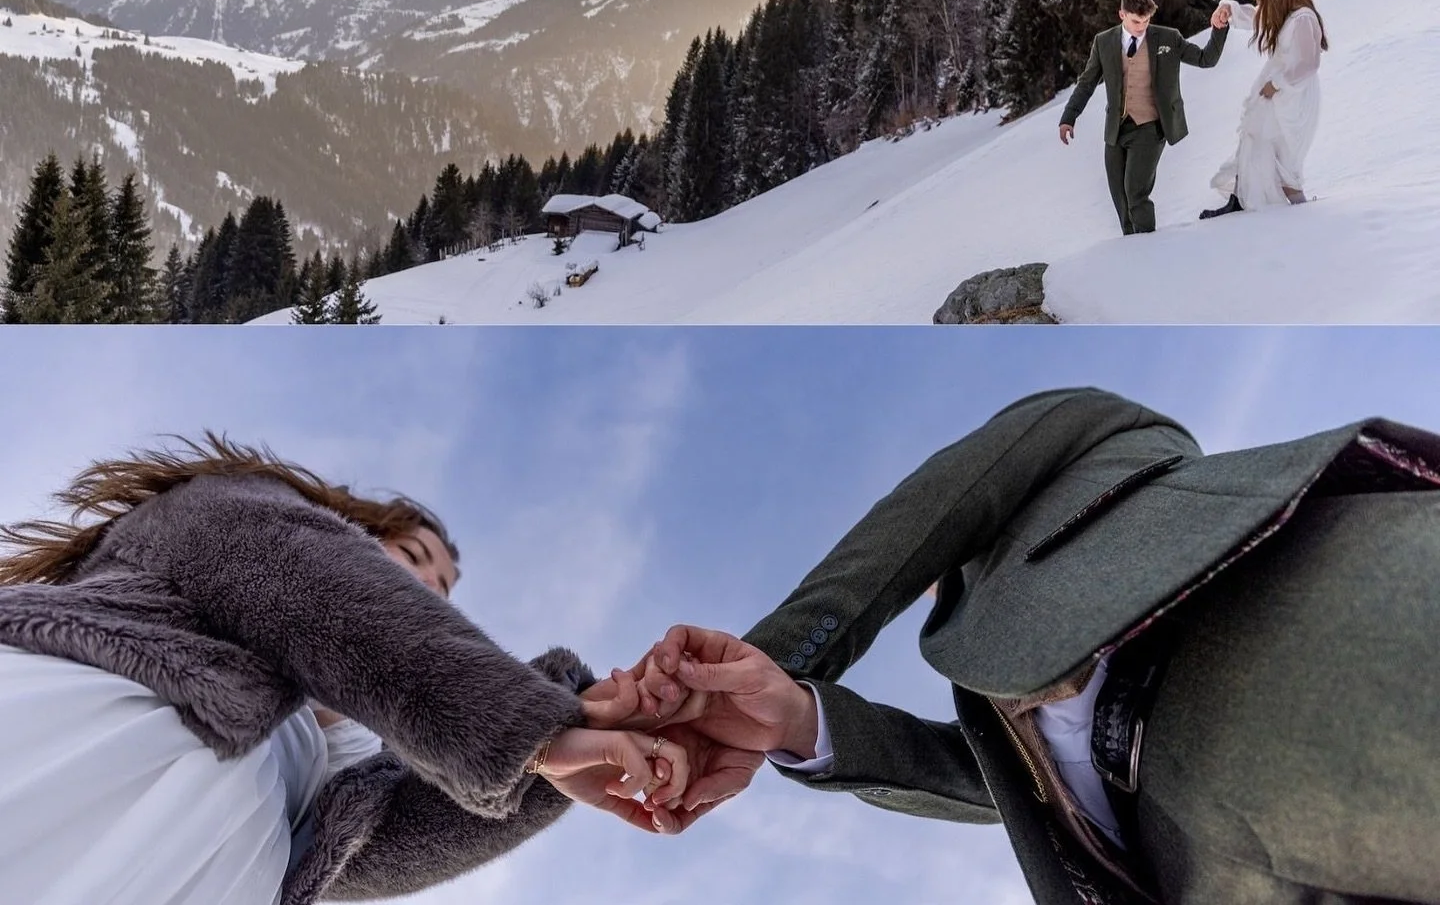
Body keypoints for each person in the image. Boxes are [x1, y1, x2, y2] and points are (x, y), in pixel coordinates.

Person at [628, 386, 1440, 905]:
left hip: (1299, 626)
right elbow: (979, 784)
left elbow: (929, 515)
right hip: (1183, 861)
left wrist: (763, 663)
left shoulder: (1107, 435)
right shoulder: (983, 674)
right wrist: (798, 723)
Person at [0, 436, 691, 905]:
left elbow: (370, 844)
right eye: (414, 556)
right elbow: (292, 570)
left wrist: (556, 760)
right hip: (61, 751)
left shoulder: (343, 751)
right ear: (348, 527)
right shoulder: (237, 513)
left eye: (444, 589)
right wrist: (522, 728)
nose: (429, 587)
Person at [1058, 0, 1228, 235]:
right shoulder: (1104, 42)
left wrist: (1218, 29)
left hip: (1150, 127)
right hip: (1116, 129)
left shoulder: (1167, 38)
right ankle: (1132, 248)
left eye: (1146, 20)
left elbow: (1206, 59)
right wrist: (1068, 118)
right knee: (1120, 197)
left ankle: (1147, 246)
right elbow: (1086, 83)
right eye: (1136, 21)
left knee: (1136, 192)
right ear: (1122, 15)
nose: (1141, 26)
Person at [1201, 0, 1328, 219]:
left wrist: (1277, 84)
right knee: (1254, 138)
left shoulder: (1303, 18)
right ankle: (1241, 198)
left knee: (1281, 153)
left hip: (1291, 95)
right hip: (1277, 91)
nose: (1262, 1)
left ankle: (1301, 209)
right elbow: (1253, 14)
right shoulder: (1286, 15)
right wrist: (1228, 9)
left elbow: (1309, 63)